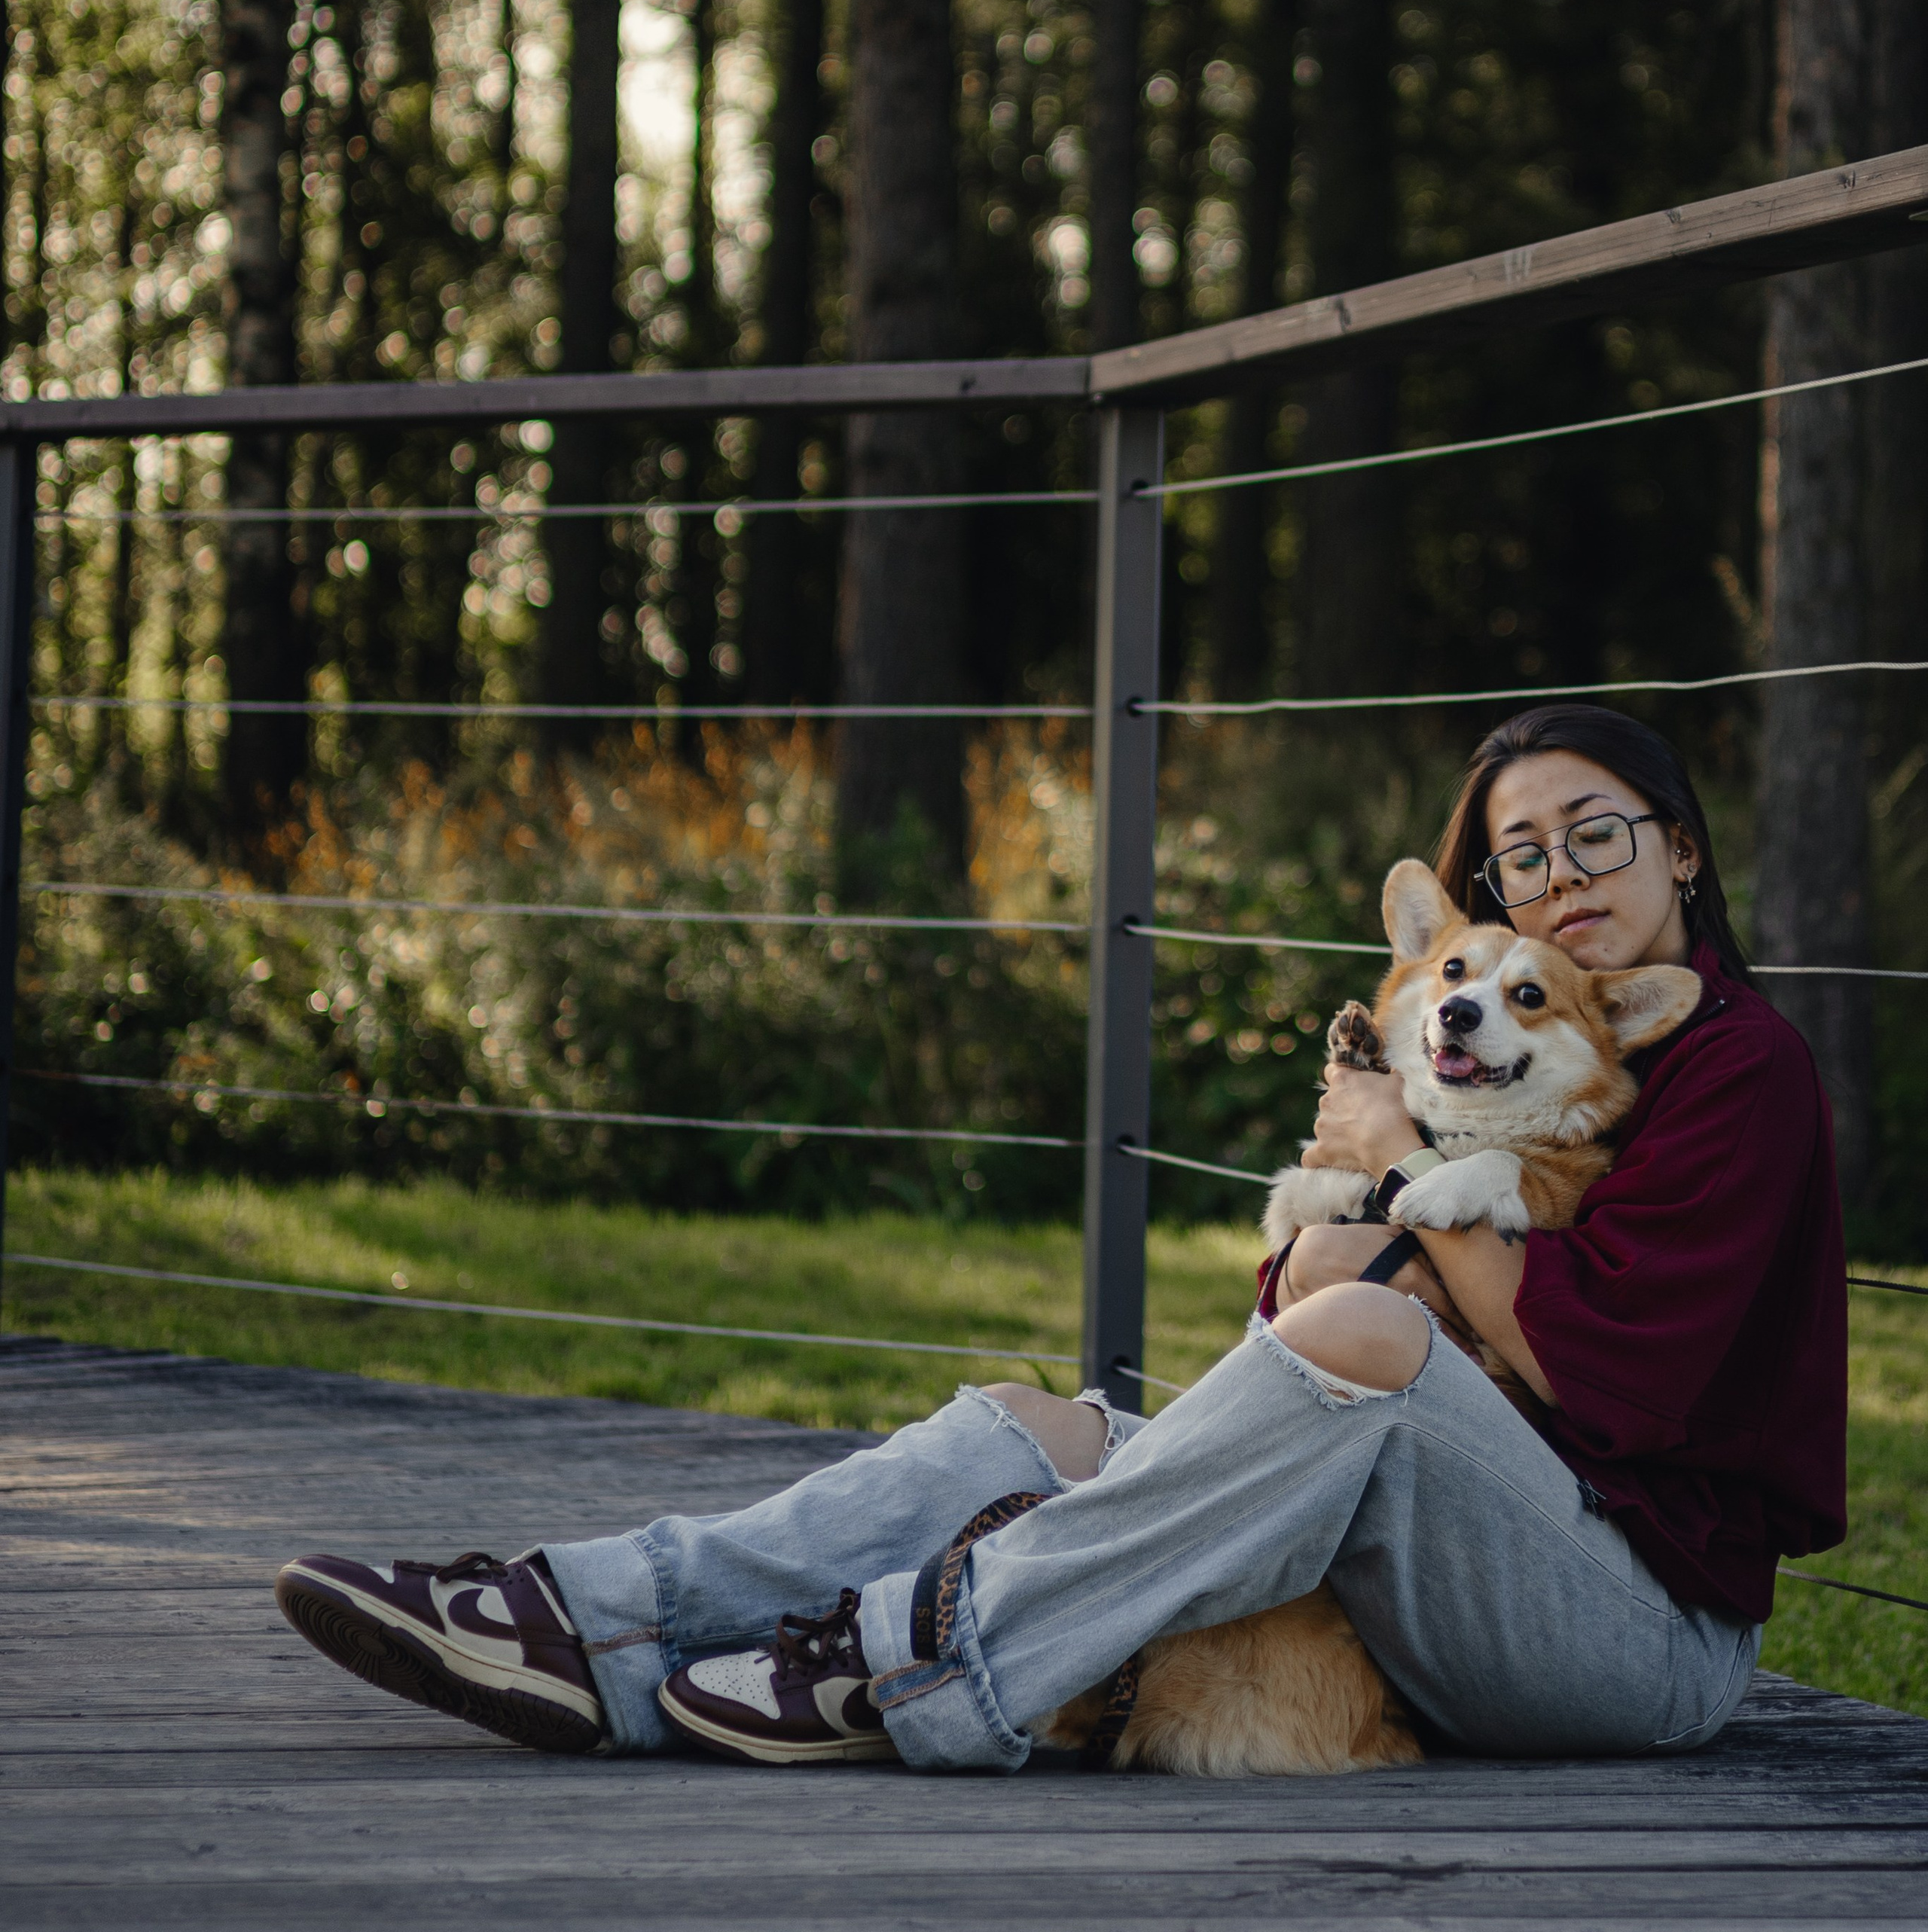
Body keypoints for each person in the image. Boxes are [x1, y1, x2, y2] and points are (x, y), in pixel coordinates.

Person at [274, 704, 1847, 1774]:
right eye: (1522, 854)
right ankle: (595, 1617)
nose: (1560, 880)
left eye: (1596, 836)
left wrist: (1383, 1178)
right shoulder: (1474, 1041)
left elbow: (1609, 1377)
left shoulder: (1739, 1068)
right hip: (1455, 1540)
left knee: (1364, 1335)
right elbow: (1293, 1315)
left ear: (1681, 848)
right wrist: (1357, 1217)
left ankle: (911, 1659)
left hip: (1632, 1632)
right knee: (1032, 1428)